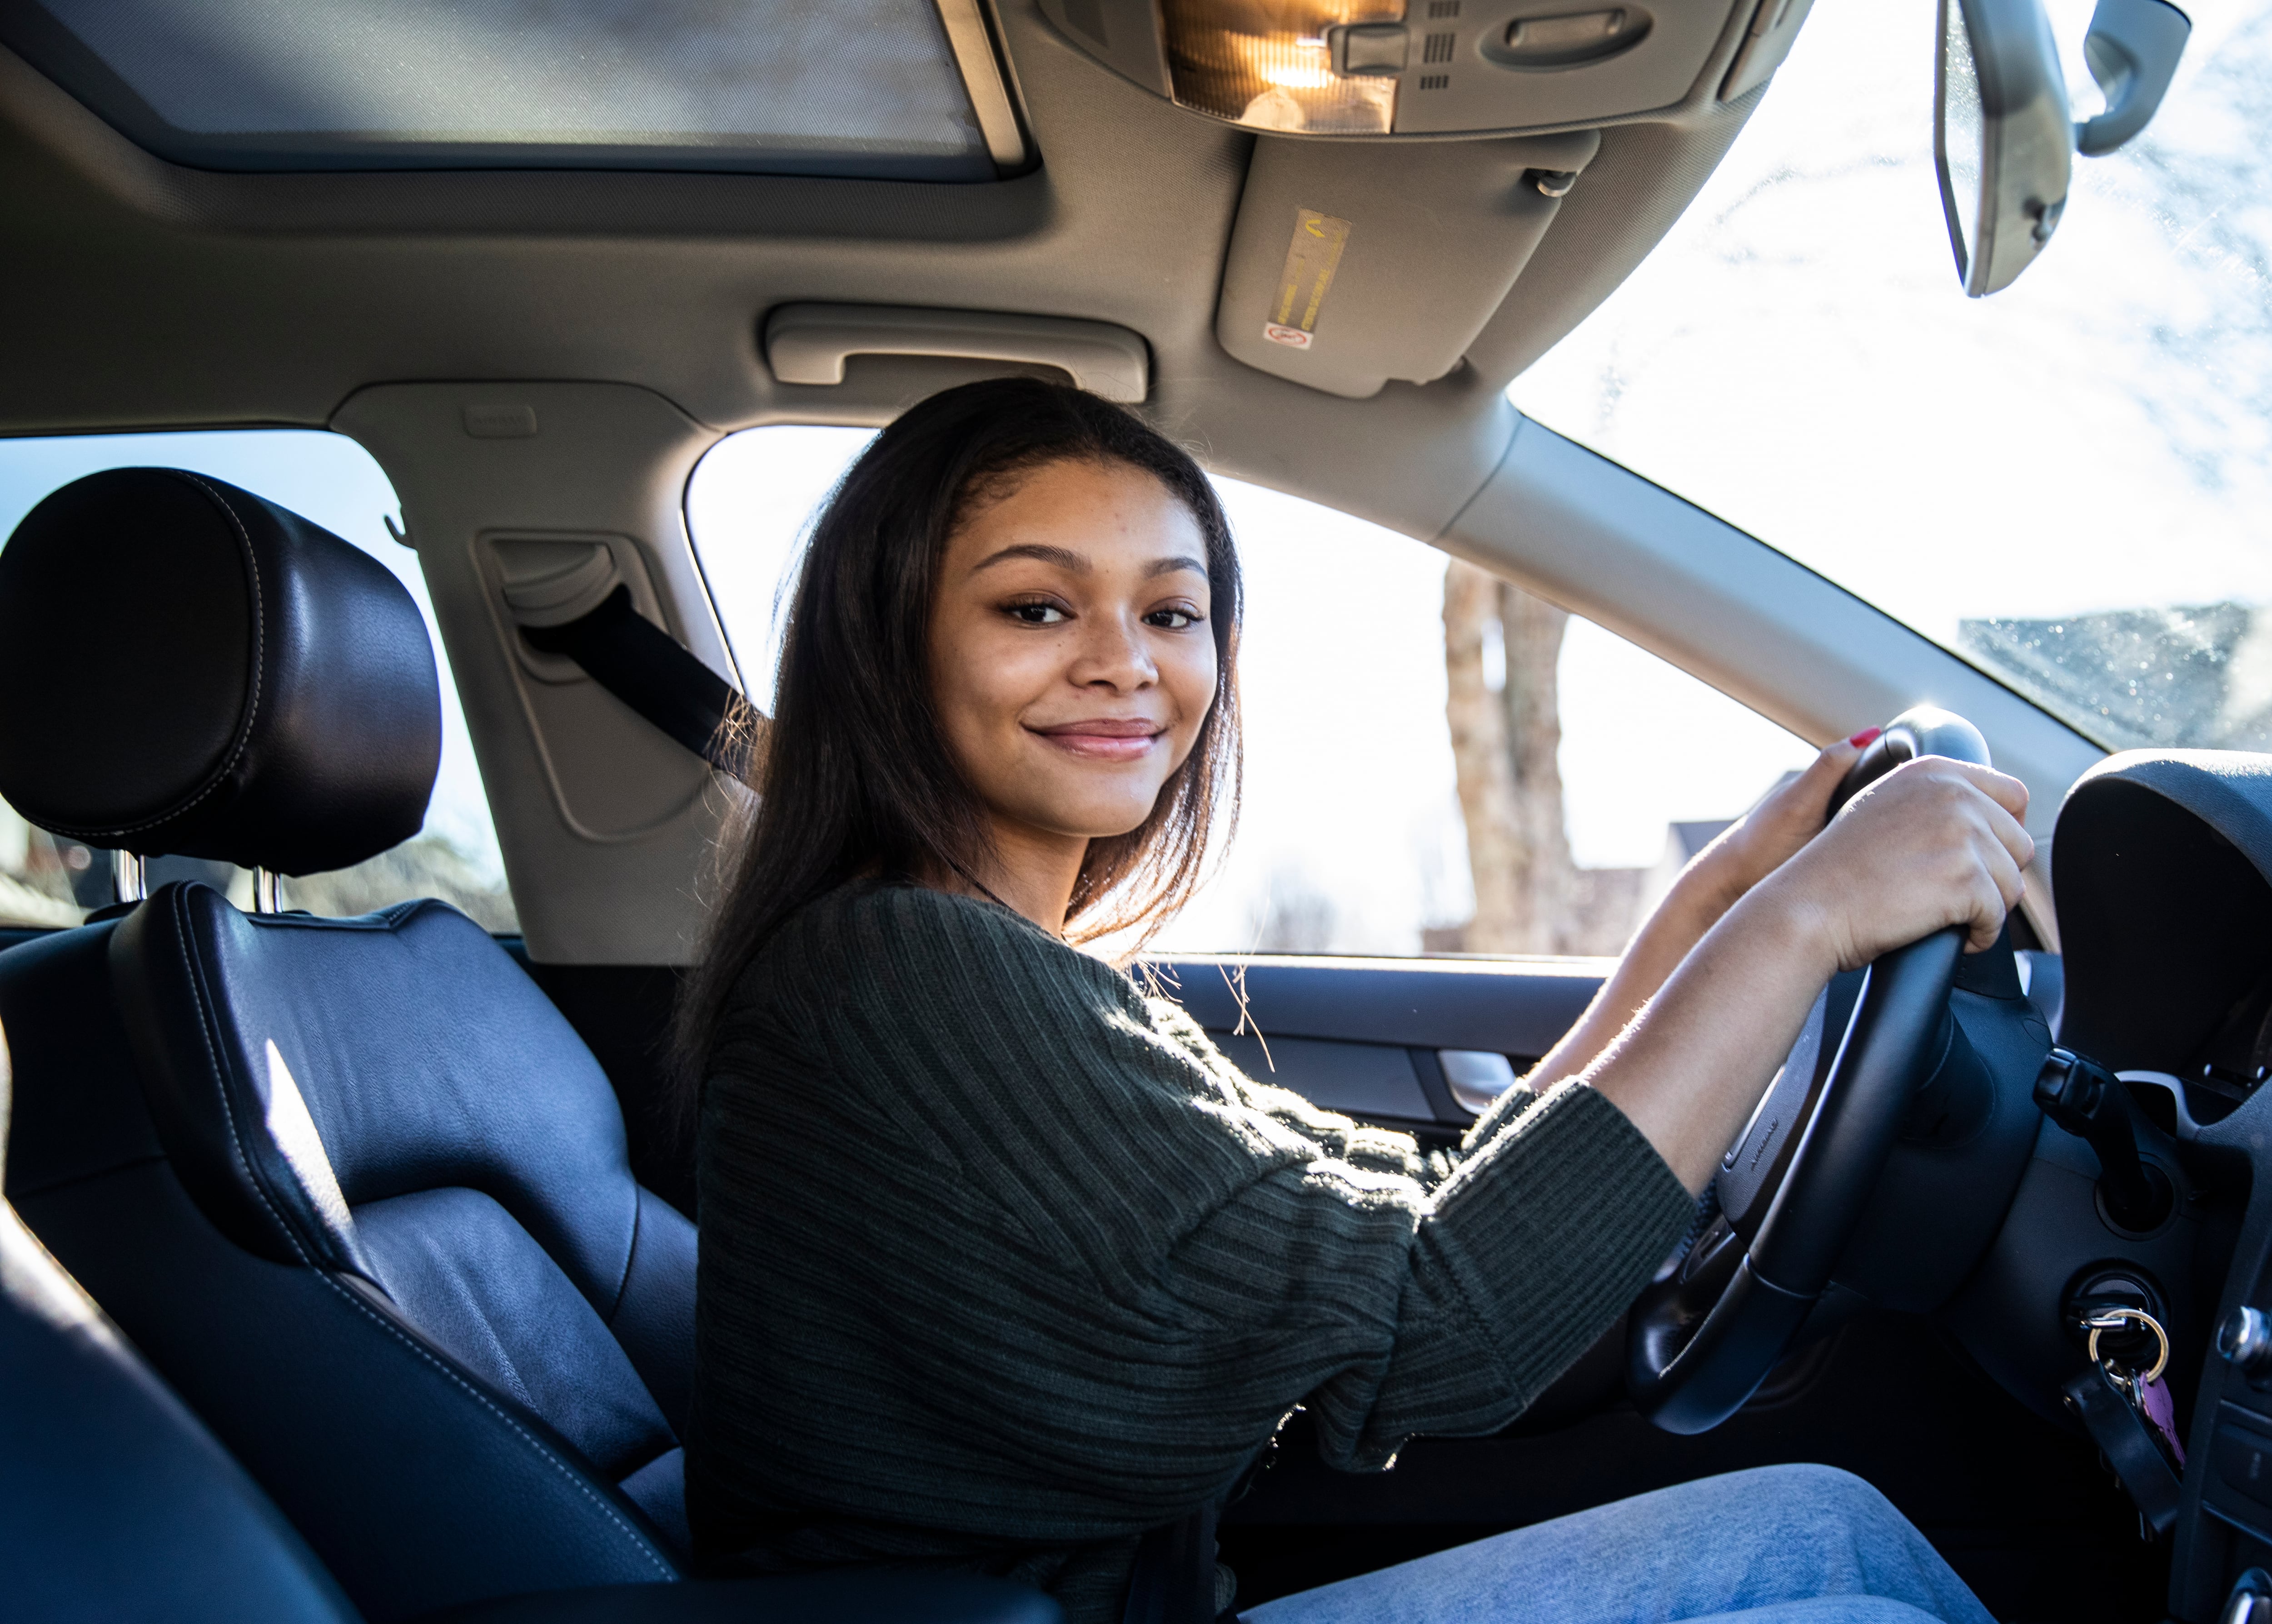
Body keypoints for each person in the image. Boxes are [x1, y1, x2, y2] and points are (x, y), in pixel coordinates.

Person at [676, 378, 2030, 1624]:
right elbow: (1440, 1327)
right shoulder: (907, 976)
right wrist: (1809, 919)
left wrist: (1722, 896)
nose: (1124, 662)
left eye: (1171, 611)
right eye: (1037, 608)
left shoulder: (989, 963)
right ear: (887, 647)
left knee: (1828, 1537)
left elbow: (1403, 1230)